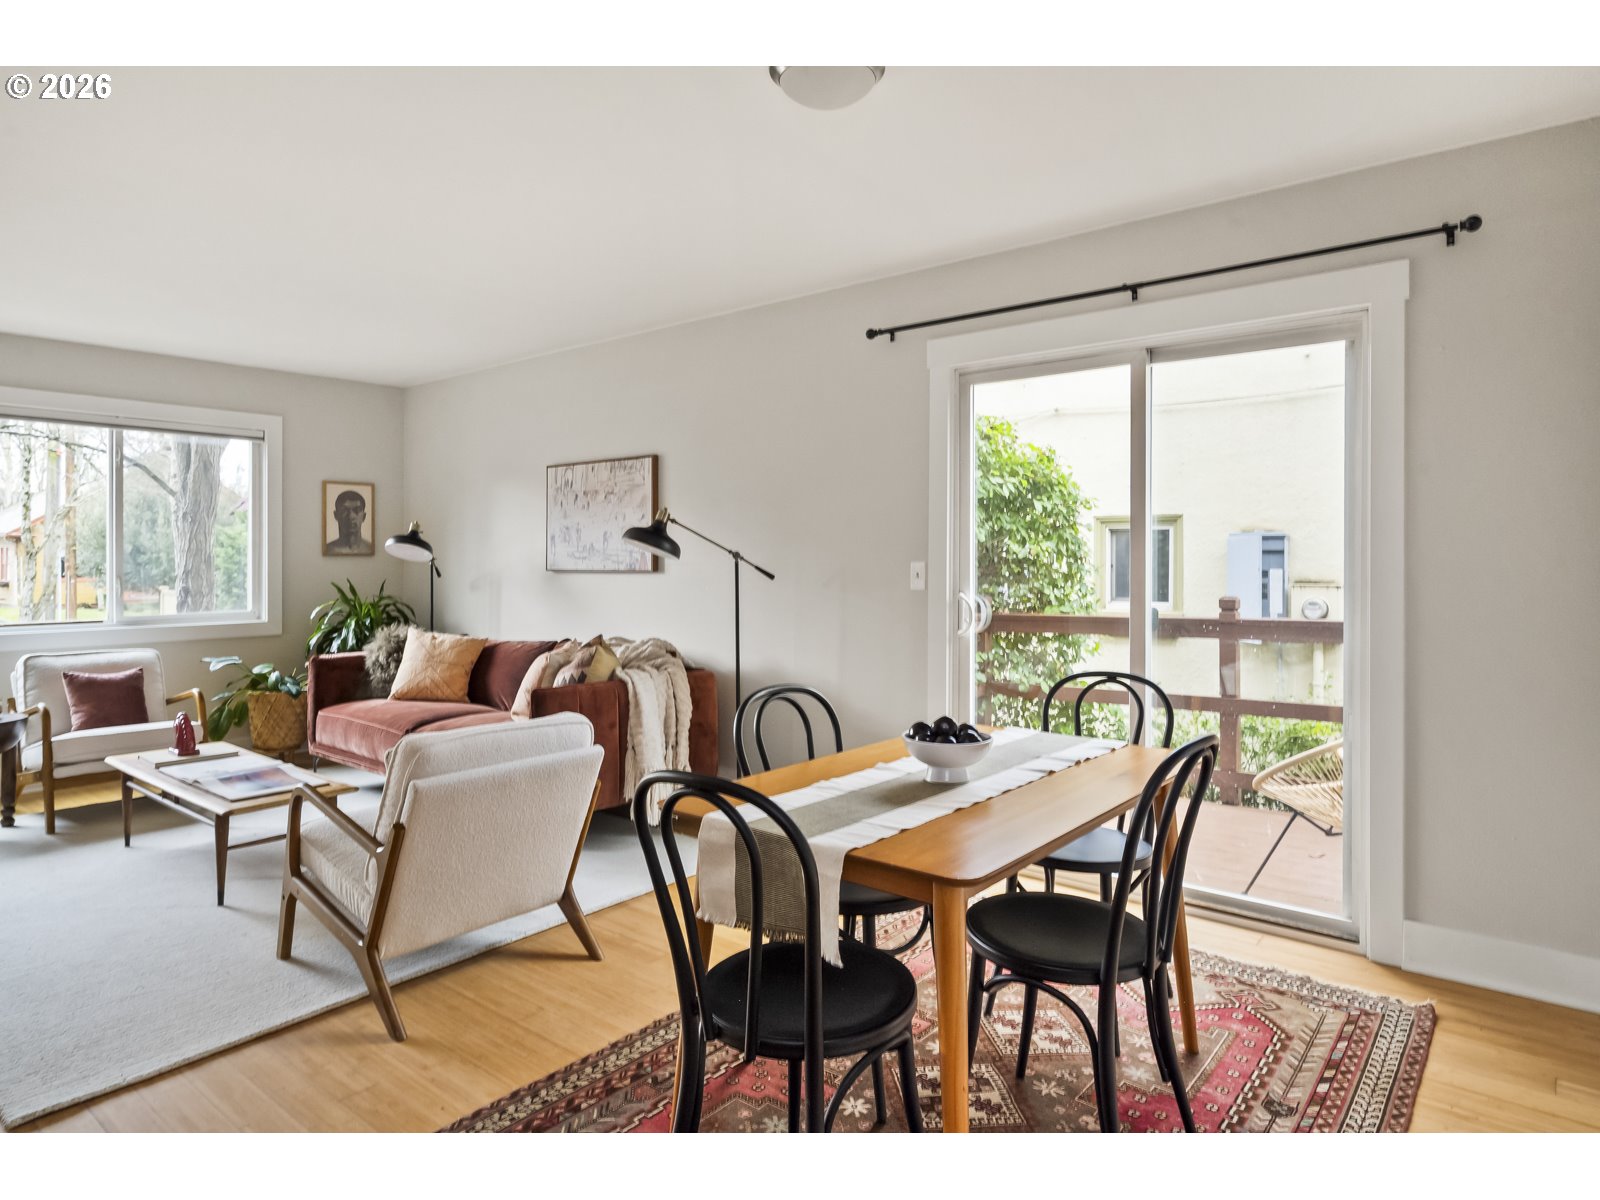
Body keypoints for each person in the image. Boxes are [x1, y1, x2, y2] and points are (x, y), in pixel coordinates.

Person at [325, 488, 372, 555]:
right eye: (344, 510)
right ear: (336, 515)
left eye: (357, 510)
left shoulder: (370, 548)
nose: (351, 516)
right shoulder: (328, 550)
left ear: (364, 517)